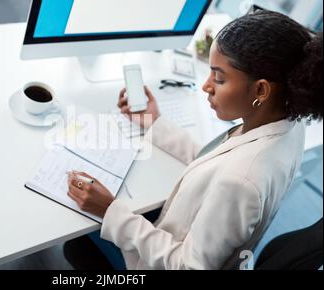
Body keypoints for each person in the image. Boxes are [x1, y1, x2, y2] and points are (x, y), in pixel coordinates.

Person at [64, 10, 323, 270]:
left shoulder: (241, 182)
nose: (206, 86)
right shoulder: (288, 124)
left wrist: (110, 211)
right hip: (189, 230)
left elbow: (188, 266)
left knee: (76, 241)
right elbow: (220, 158)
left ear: (260, 90)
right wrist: (156, 124)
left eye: (219, 78)